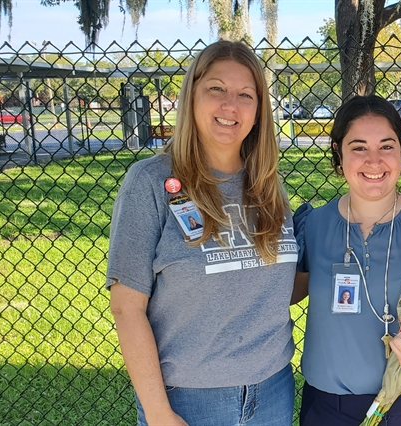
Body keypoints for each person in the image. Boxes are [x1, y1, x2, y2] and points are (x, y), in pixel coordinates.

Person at [106, 40, 298, 426]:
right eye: (216, 88)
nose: (230, 105)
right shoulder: (150, 182)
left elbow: (271, 285)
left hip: (273, 391)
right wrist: (158, 412)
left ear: (259, 111)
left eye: (245, 94)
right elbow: (127, 307)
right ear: (191, 96)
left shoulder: (267, 186)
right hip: (188, 399)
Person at [292, 95, 401, 426]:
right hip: (332, 410)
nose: (374, 161)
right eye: (358, 147)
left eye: (386, 146)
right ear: (338, 152)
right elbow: (283, 295)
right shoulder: (312, 226)